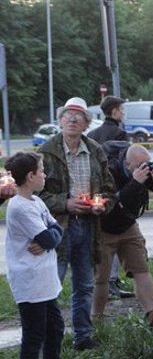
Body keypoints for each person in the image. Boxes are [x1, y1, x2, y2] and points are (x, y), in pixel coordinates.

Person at [39, 97, 116, 350]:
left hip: (87, 227)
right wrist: (65, 203)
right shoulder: (47, 151)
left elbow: (109, 192)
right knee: (52, 285)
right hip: (57, 228)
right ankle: (49, 340)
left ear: (86, 123)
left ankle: (82, 337)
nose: (72, 120)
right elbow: (36, 194)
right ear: (60, 121)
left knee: (84, 286)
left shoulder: (95, 150)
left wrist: (101, 204)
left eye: (78, 116)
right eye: (67, 115)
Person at [91, 144, 153, 331]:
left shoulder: (144, 173)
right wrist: (135, 183)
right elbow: (111, 205)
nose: (144, 168)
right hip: (104, 228)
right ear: (127, 163)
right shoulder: (109, 173)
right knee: (102, 279)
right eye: (139, 165)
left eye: (147, 163)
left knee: (141, 270)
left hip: (128, 226)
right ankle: (95, 321)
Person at [4, 152, 65, 359]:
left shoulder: (36, 201)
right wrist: (51, 238)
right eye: (42, 171)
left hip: (43, 281)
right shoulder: (20, 207)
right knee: (34, 336)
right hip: (30, 281)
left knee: (55, 329)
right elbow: (48, 239)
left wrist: (52, 236)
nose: (45, 175)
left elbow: (56, 229)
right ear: (31, 176)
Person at [87, 95, 134, 299]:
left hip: (94, 190)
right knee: (115, 236)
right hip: (114, 192)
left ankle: (101, 279)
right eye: (122, 110)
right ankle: (111, 281)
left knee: (100, 237)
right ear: (114, 111)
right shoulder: (120, 134)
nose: (123, 113)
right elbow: (124, 165)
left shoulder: (92, 134)